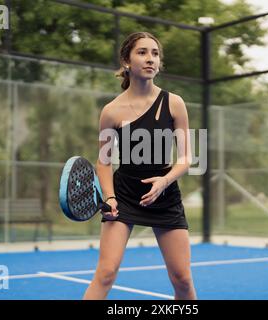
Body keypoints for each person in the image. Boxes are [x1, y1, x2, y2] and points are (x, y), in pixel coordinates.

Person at [83, 32, 196, 300]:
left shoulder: (174, 103)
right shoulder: (111, 111)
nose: (150, 59)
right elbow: (104, 162)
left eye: (155, 54)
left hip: (165, 196)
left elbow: (185, 159)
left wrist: (164, 181)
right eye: (142, 52)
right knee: (106, 273)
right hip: (123, 196)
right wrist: (109, 197)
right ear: (126, 61)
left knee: (182, 278)